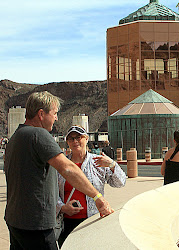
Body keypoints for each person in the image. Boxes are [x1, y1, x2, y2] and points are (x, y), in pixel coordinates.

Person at [4, 91, 112, 250]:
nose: (56, 118)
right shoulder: (39, 134)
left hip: (15, 221)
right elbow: (68, 169)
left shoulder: (14, 138)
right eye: (54, 113)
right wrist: (97, 196)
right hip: (36, 225)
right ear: (41, 114)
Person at [57, 125, 126, 247]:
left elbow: (120, 182)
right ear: (67, 142)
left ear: (86, 139)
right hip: (67, 223)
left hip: (93, 221)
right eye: (71, 139)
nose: (75, 141)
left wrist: (112, 165)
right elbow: (52, 193)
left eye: (78, 137)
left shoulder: (98, 162)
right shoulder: (62, 165)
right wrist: (62, 207)